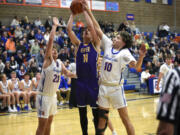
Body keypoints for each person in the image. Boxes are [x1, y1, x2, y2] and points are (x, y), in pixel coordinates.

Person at [82, 1, 146, 135]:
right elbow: (97, 28)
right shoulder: (109, 44)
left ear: (123, 42)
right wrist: (88, 10)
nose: (114, 38)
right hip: (103, 87)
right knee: (102, 119)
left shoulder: (125, 53)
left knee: (125, 118)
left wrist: (140, 57)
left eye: (117, 37)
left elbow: (137, 68)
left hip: (116, 89)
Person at [35, 17, 75, 135]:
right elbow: (51, 40)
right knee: (42, 125)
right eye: (51, 51)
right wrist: (54, 26)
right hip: (43, 97)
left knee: (49, 122)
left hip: (52, 96)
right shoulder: (48, 61)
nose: (53, 52)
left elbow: (68, 73)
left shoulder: (60, 63)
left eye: (55, 51)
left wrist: (80, 75)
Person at [67, 8, 101, 135]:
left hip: (93, 83)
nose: (86, 32)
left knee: (95, 113)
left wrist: (85, 11)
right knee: (82, 114)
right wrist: (72, 14)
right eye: (85, 31)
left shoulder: (96, 44)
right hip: (80, 83)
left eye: (88, 31)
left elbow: (91, 26)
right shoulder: (78, 45)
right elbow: (69, 30)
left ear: (93, 35)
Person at [156, 54, 180, 135]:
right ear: (165, 60)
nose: (168, 60)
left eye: (170, 59)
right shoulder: (163, 66)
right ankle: (164, 112)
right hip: (166, 86)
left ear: (171, 60)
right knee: (166, 101)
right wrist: (157, 85)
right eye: (167, 59)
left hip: (173, 87)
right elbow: (160, 76)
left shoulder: (173, 66)